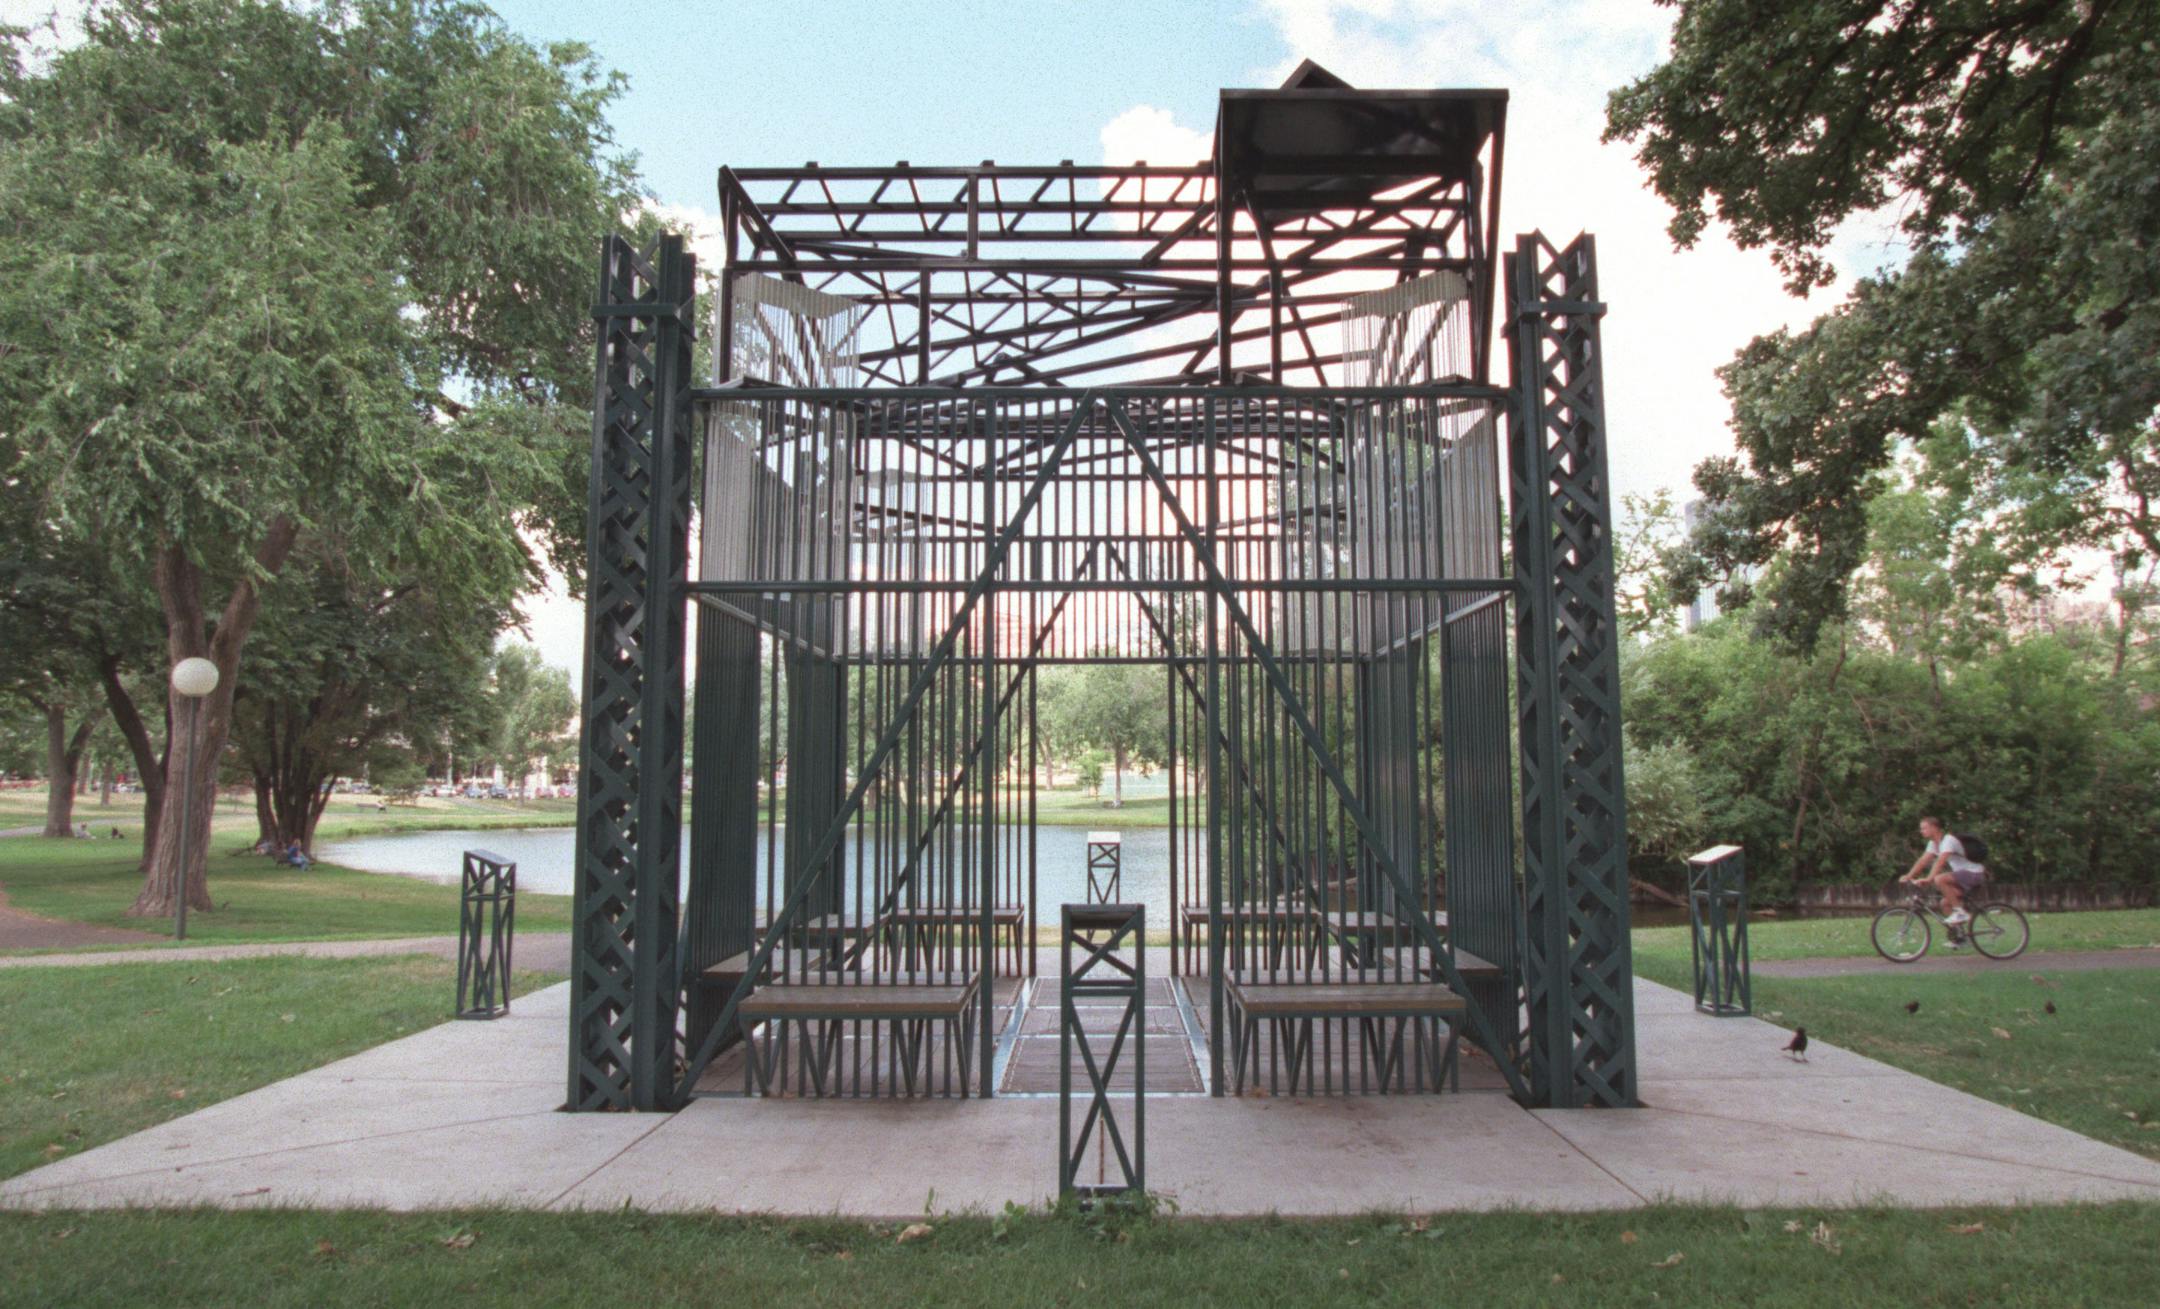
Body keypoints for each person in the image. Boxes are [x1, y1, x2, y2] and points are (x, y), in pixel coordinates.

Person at [1900, 816, 1984, 924]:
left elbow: (1940, 861)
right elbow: (1922, 861)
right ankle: (1959, 938)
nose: (1921, 831)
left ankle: (1960, 913)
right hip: (1963, 877)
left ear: (1934, 828)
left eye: (1924, 828)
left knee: (1940, 879)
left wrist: (1929, 879)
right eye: (1921, 829)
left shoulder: (1948, 840)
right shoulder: (1933, 844)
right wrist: (1909, 876)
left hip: (1974, 873)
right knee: (1945, 903)